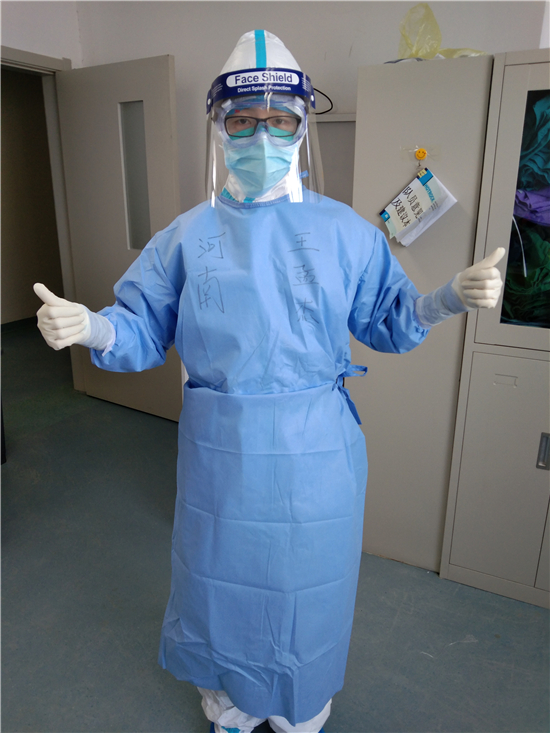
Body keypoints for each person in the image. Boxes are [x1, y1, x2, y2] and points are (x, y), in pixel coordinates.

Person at [34, 30, 504, 733]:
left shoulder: (346, 232)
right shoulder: (185, 237)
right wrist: (95, 328)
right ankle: (230, 699)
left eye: (279, 119)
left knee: (308, 588)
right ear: (218, 127)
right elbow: (140, 328)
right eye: (244, 120)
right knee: (219, 583)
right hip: (223, 453)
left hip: (316, 455)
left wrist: (445, 299)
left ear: (302, 125)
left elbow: (389, 319)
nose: (262, 135)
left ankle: (301, 702)